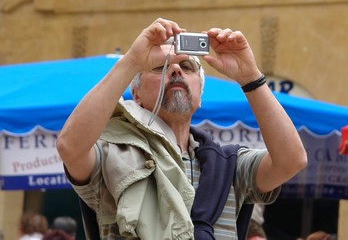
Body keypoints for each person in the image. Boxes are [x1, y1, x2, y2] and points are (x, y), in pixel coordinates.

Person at [57, 18, 308, 239]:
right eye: (160, 67)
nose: (176, 69)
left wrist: (250, 76)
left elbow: (291, 161)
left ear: (199, 96)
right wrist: (132, 60)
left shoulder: (229, 166)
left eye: (187, 67)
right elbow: (70, 146)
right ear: (136, 94)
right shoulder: (114, 154)